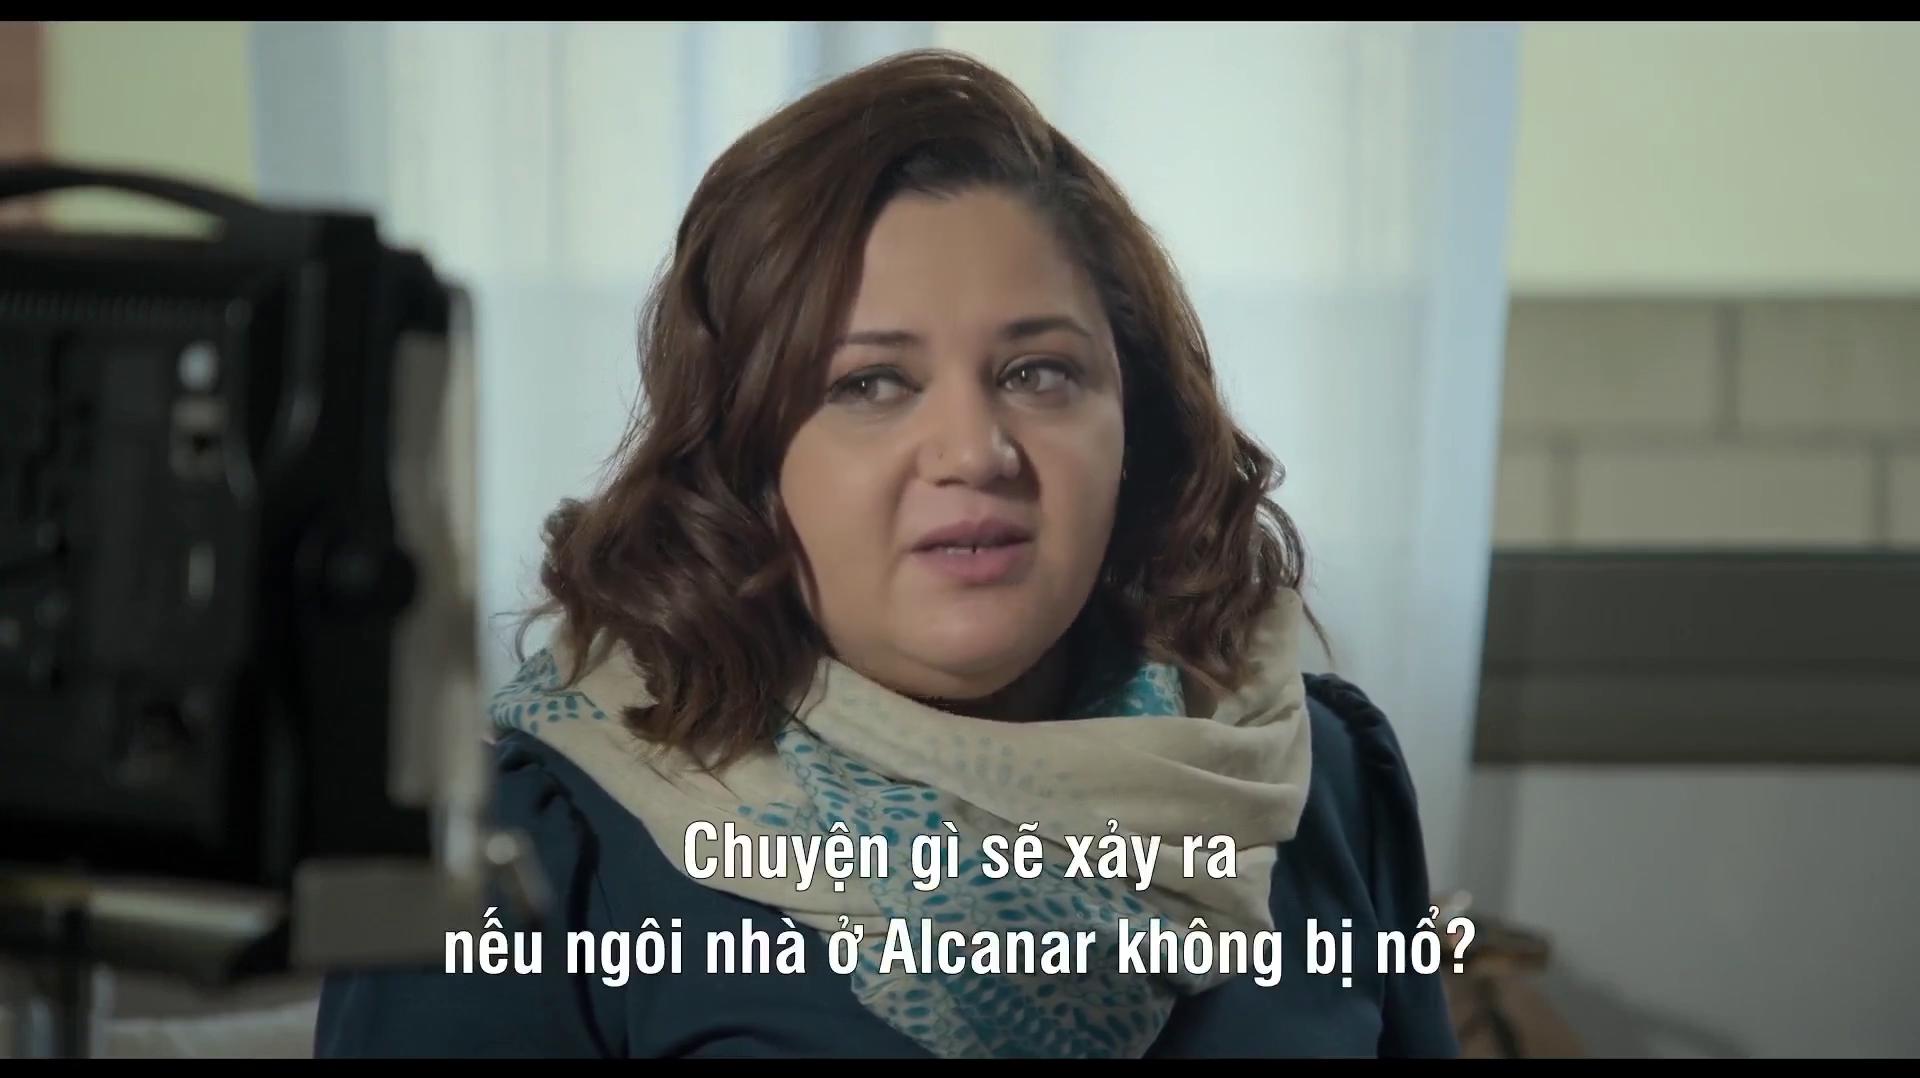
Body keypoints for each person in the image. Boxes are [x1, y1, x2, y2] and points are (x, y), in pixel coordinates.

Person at [314, 48, 1459, 1059]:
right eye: (869, 383)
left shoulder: (1307, 775)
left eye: (1039, 372)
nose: (975, 450)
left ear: (1136, 425)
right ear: (743, 460)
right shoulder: (516, 853)